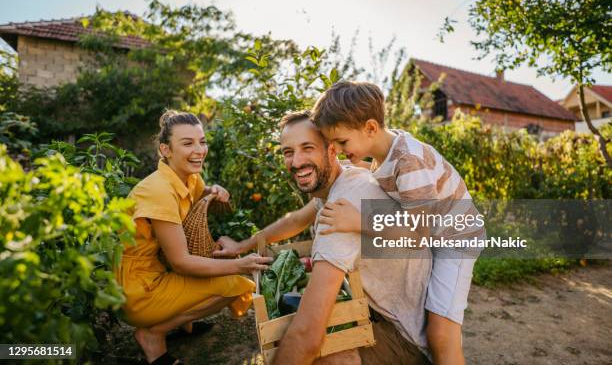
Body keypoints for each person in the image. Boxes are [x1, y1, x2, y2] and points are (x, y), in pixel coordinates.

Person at [214, 111, 432, 364]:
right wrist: (241, 246)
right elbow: (295, 220)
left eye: (308, 148)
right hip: (397, 315)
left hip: (403, 339)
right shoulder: (341, 179)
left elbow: (307, 336)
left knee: (306, 347)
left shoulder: (340, 209)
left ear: (332, 149)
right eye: (288, 151)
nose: (296, 162)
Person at [310, 81, 485, 365]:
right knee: (434, 317)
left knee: (441, 332)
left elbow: (417, 234)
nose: (340, 151)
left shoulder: (408, 161)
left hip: (456, 237)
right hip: (435, 235)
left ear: (369, 128)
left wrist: (360, 220)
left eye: (342, 142)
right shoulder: (382, 156)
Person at [115, 110, 271, 365]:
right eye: (187, 143)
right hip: (138, 290)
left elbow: (198, 194)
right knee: (235, 283)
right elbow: (181, 263)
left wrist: (214, 190)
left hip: (156, 271)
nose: (199, 150)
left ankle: (182, 321)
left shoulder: (187, 178)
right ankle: (153, 334)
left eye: (202, 141)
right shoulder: (157, 191)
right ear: (166, 150)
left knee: (215, 273)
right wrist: (239, 264)